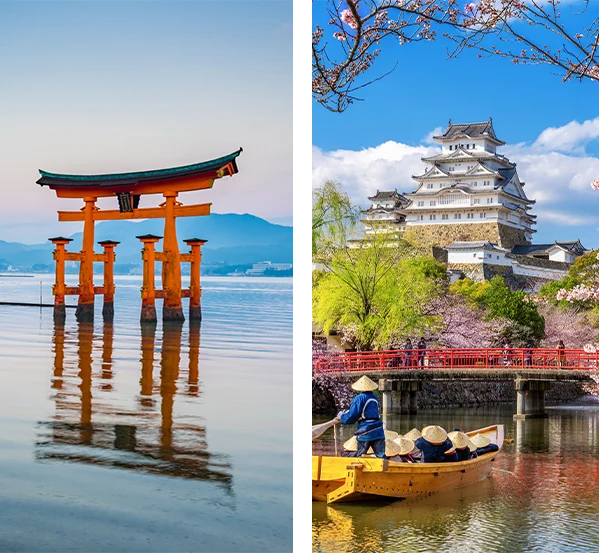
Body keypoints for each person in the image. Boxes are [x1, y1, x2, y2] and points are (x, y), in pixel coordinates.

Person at [337, 375, 386, 458]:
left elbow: (352, 415)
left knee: (361, 456)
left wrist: (342, 416)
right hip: (378, 430)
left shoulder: (359, 398)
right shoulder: (374, 397)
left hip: (365, 431)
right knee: (381, 456)